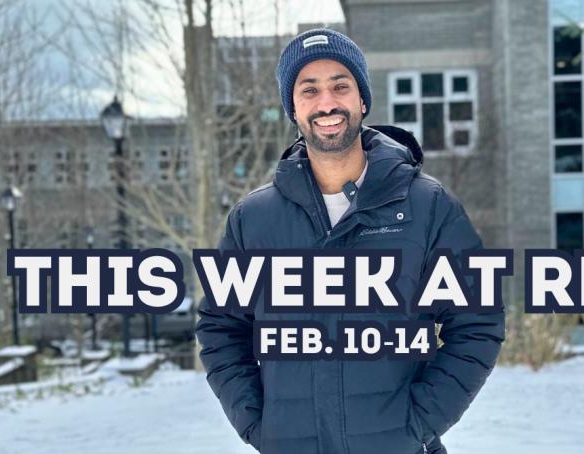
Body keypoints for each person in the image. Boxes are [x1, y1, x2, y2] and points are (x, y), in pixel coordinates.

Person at [196, 28, 505, 454]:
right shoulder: (253, 220)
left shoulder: (428, 206)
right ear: (293, 109)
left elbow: (477, 322)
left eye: (340, 86)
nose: (326, 103)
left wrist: (416, 425)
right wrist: (260, 425)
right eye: (309, 90)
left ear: (362, 100)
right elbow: (221, 329)